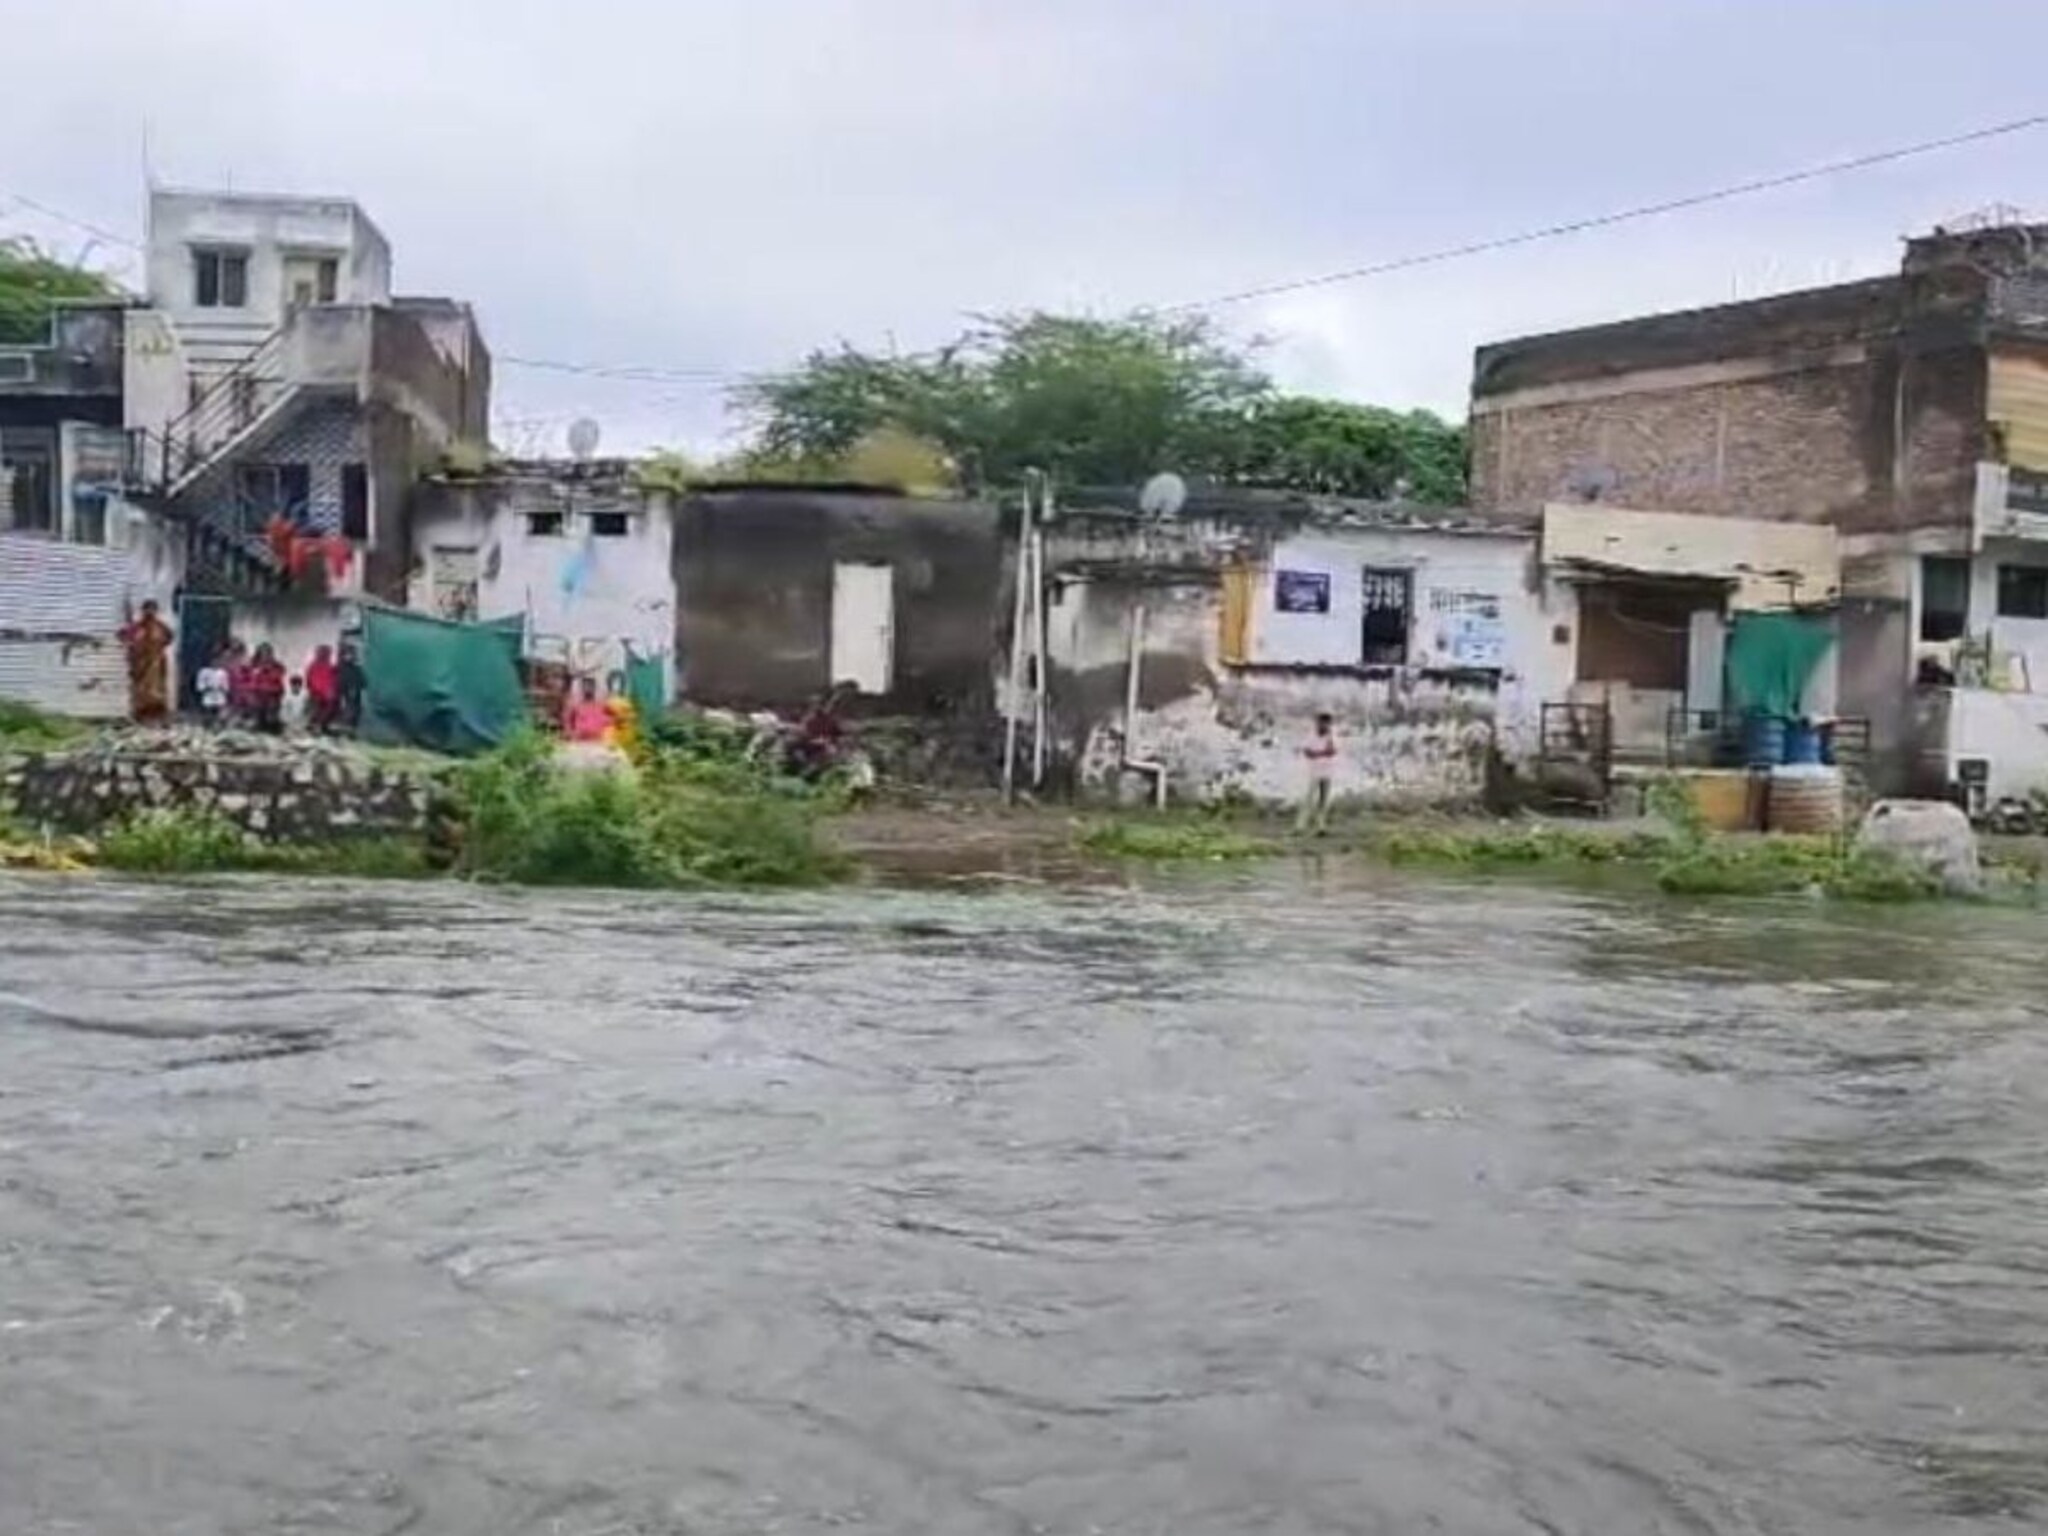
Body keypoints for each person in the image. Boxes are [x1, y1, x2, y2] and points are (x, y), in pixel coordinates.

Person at [117, 600, 174, 724]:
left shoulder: (160, 626)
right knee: (140, 690)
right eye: (147, 609)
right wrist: (131, 646)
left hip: (156, 663)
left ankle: (158, 715)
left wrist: (159, 650)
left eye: (152, 609)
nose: (150, 612)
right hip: (140, 664)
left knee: (157, 689)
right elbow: (122, 635)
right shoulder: (137, 627)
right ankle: (139, 715)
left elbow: (169, 637)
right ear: (143, 611)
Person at [1298, 711, 1338, 835]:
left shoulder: (1332, 736)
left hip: (1327, 772)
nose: (1324, 726)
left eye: (1327, 724)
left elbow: (1332, 751)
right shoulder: (1311, 736)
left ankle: (1321, 827)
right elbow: (1307, 752)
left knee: (1324, 801)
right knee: (1309, 799)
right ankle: (1300, 826)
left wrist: (1318, 753)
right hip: (1314, 771)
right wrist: (1322, 753)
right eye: (1321, 723)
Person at [247, 643, 287, 734]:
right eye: (263, 653)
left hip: (272, 693)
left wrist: (268, 670)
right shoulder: (254, 665)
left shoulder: (277, 666)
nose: (266, 656)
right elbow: (252, 679)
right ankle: (259, 726)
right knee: (259, 712)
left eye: (267, 653)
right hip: (259, 693)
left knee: (272, 713)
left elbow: (278, 676)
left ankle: (274, 728)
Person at [561, 675, 612, 743]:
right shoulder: (575, 704)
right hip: (580, 741)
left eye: (590, 686)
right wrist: (571, 734)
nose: (588, 688)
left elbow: (611, 719)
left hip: (598, 741)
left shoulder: (601, 705)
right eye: (585, 686)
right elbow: (566, 721)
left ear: (594, 688)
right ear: (582, 688)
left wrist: (607, 731)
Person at [601, 671, 640, 754]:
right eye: (614, 683)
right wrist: (614, 719)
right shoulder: (607, 700)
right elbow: (602, 717)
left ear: (623, 684)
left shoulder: (627, 699)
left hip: (626, 732)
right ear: (610, 684)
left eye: (619, 683)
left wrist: (627, 718)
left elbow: (633, 715)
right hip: (612, 732)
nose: (616, 686)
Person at [304, 643, 340, 733]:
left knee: (331, 708)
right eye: (323, 653)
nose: (326, 655)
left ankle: (323, 725)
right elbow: (310, 680)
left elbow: (334, 681)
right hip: (317, 693)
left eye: (327, 653)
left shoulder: (331, 667)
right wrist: (313, 691)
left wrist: (332, 691)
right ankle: (313, 725)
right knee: (317, 708)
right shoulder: (313, 666)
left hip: (327, 693)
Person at [195, 646, 232, 726]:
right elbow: (200, 683)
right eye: (214, 661)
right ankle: (207, 721)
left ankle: (221, 722)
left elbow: (226, 684)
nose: (215, 662)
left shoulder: (222, 672)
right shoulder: (204, 671)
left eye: (217, 661)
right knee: (208, 706)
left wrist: (224, 689)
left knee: (221, 706)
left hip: (219, 692)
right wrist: (204, 688)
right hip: (208, 692)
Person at [335, 641, 365, 735]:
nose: (348, 656)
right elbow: (338, 682)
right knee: (346, 710)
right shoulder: (340, 668)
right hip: (344, 694)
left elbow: (363, 682)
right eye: (347, 654)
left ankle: (351, 729)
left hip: (355, 694)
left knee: (354, 711)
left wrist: (355, 688)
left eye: (350, 654)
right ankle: (346, 729)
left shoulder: (356, 669)